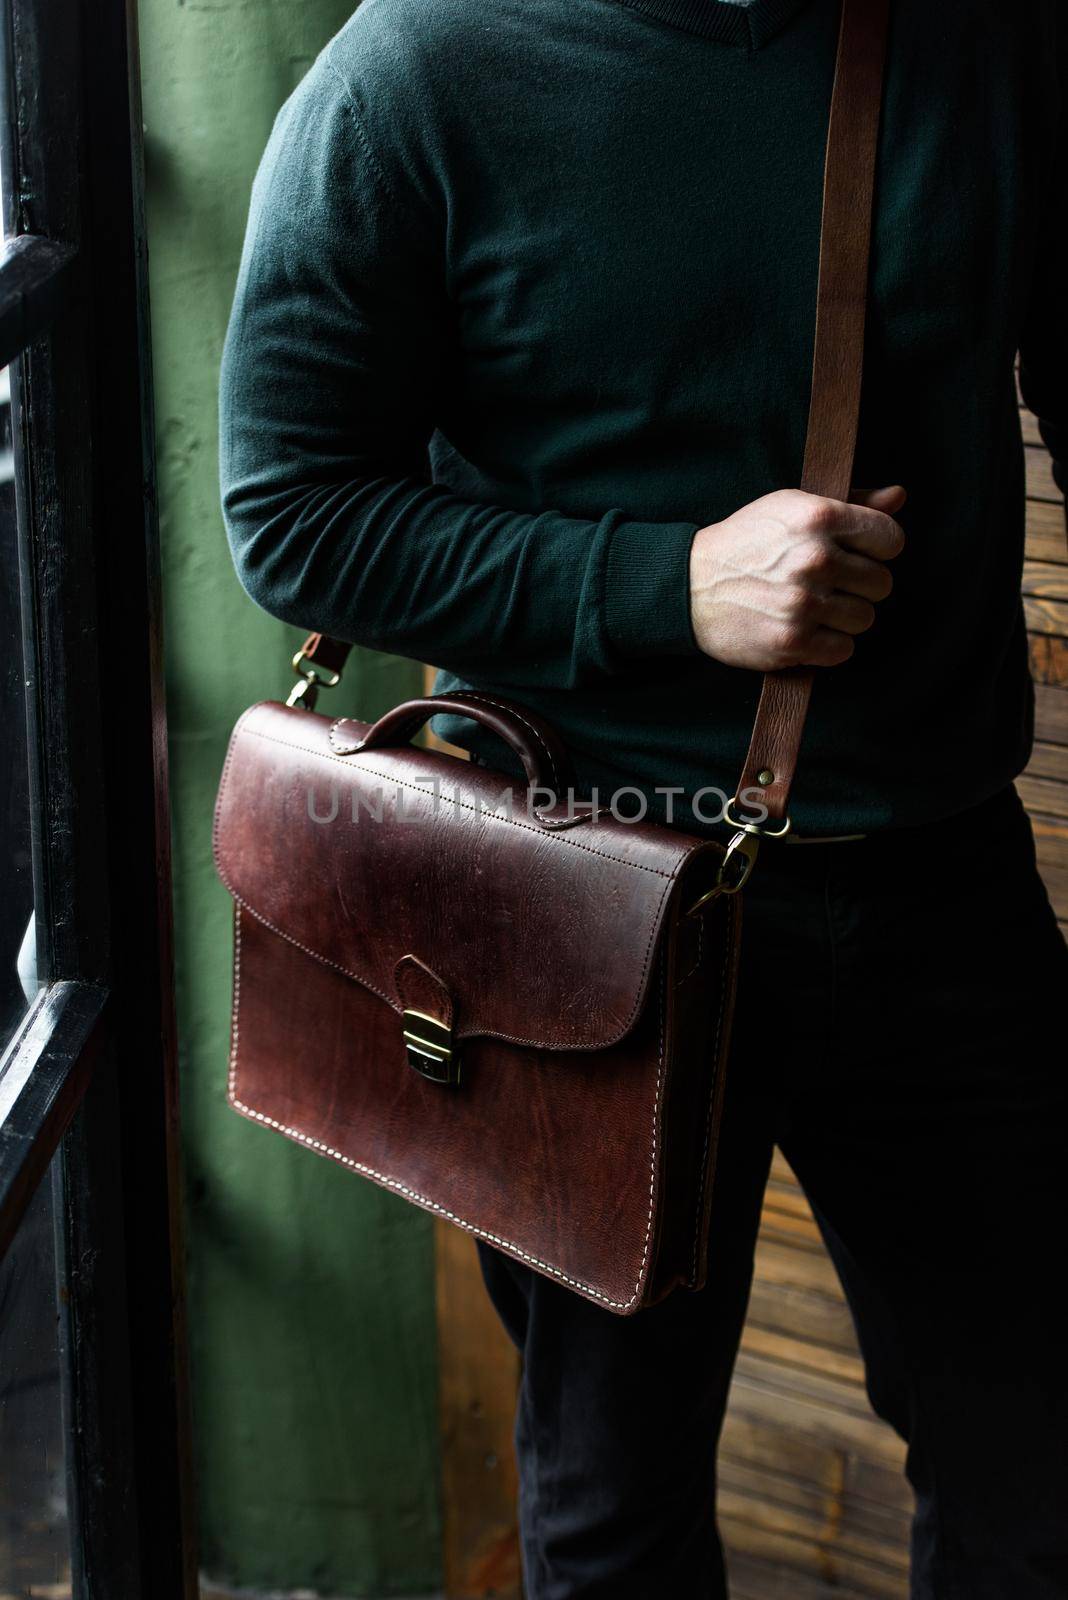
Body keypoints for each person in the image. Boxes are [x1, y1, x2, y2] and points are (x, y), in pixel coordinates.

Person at [217, 0, 1068, 1593]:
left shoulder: (989, 38)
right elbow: (292, 510)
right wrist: (672, 586)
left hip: (942, 888)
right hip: (583, 913)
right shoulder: (415, 72)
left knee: (1047, 1471)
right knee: (615, 1510)